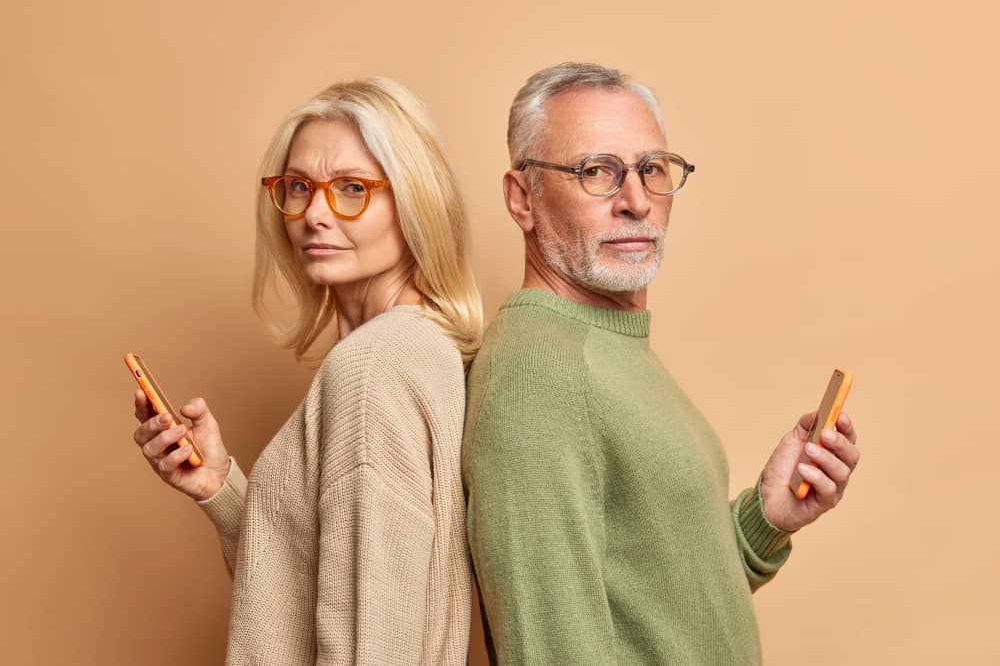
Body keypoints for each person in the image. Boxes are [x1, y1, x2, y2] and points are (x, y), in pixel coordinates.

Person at [462, 62, 861, 664]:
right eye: (597, 171)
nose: (637, 201)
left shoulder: (607, 341)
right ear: (523, 199)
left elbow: (659, 608)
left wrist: (767, 518)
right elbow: (555, 649)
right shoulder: (540, 372)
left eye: (651, 169)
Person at [131, 78, 482, 665]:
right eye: (299, 187)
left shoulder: (373, 367)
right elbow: (315, 587)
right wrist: (220, 488)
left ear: (415, 200)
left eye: (352, 188)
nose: (315, 214)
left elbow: (377, 640)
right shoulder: (415, 348)